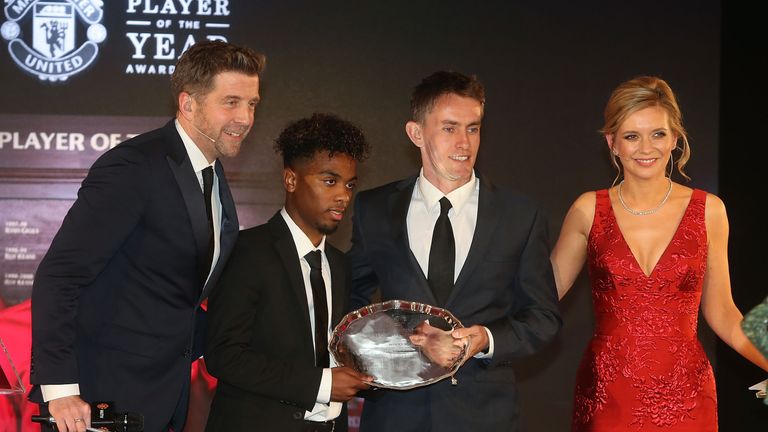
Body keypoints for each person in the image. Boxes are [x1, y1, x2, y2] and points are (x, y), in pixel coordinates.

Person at [29, 40, 265, 432]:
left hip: (156, 401)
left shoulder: (212, 177)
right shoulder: (135, 166)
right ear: (188, 104)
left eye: (253, 104)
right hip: (93, 406)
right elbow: (60, 274)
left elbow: (174, 298)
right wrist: (61, 390)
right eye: (231, 102)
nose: (245, 117)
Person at [347, 71, 562, 431]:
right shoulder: (375, 208)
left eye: (473, 128)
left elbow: (543, 317)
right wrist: (403, 346)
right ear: (416, 133)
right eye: (449, 128)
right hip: (395, 416)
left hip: (484, 416)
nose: (464, 143)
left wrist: (484, 340)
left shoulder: (519, 215)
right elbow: (351, 303)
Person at [551, 75, 768, 431]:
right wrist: (471, 331)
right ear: (613, 143)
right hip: (609, 395)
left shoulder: (709, 211)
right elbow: (542, 296)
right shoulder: (588, 209)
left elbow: (724, 313)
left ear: (675, 140)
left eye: (658, 134)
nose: (645, 148)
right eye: (632, 136)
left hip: (687, 395)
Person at [203, 113, 373, 431]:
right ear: (291, 180)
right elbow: (224, 354)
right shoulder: (246, 251)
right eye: (329, 181)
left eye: (350, 185)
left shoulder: (339, 263)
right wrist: (321, 385)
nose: (343, 196)